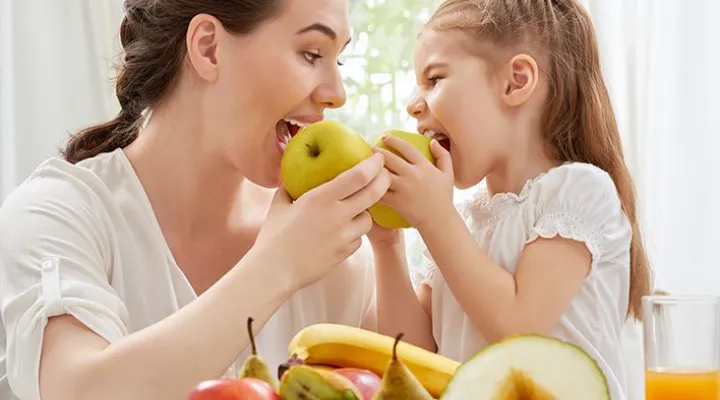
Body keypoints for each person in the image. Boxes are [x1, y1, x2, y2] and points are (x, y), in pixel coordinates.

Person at [0, 1, 392, 399]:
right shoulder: (57, 213)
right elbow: (78, 391)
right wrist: (277, 266)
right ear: (208, 48)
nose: (337, 94)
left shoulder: (328, 245)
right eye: (312, 54)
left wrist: (391, 241)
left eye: (338, 61)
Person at [369, 0, 652, 398]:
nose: (413, 104)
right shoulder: (465, 224)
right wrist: (387, 245)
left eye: (434, 80)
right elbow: (411, 359)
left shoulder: (578, 191)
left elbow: (519, 331)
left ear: (516, 81)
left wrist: (435, 218)